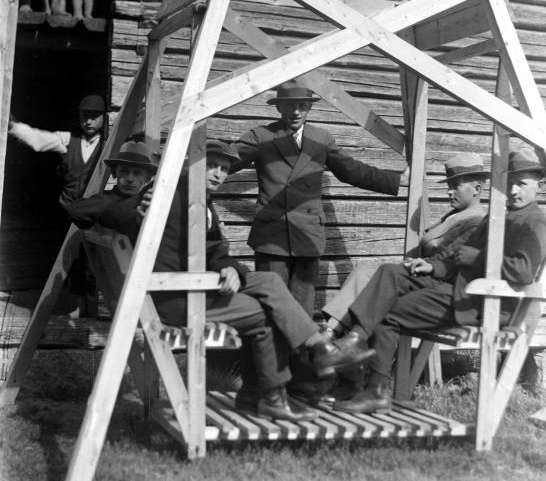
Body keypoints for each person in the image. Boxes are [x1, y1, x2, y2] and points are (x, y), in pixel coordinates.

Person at [86, 139, 374, 421]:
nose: (218, 174)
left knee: (269, 282)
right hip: (175, 299)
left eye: (223, 169)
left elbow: (214, 251)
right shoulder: (169, 192)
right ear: (192, 165)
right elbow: (110, 211)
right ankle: (270, 394)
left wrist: (231, 269)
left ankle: (317, 350)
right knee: (265, 314)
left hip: (191, 287)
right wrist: (139, 204)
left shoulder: (199, 199)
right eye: (211, 165)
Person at [334, 146, 546, 414]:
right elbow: (459, 251)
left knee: (389, 313)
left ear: (539, 186)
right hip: (461, 289)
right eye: (510, 183)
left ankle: (375, 390)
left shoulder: (534, 221)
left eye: (522, 184)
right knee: (391, 272)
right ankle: (355, 340)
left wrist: (479, 259)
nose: (514, 190)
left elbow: (523, 270)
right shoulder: (500, 216)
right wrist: (432, 266)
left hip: (485, 302)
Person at [234, 79, 410, 318]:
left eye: (302, 105)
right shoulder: (261, 136)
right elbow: (226, 159)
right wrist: (189, 166)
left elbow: (351, 171)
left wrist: (397, 180)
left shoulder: (321, 139)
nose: (296, 112)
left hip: (307, 236)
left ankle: (305, 345)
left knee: (302, 310)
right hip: (272, 237)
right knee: (270, 308)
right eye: (289, 105)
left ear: (309, 107)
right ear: (278, 107)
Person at [323, 152, 489, 335]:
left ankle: (334, 332)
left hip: (436, 284)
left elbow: (450, 259)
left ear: (477, 189)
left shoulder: (476, 221)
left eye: (456, 186)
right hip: (421, 274)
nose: (449, 191)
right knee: (365, 271)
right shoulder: (452, 216)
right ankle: (336, 330)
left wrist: (423, 265)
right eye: (449, 186)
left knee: (369, 275)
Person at [8, 94, 106, 210]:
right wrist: (12, 125)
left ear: (103, 117)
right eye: (85, 115)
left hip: (93, 211)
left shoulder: (107, 144)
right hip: (67, 208)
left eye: (94, 116)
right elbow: (39, 138)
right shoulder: (68, 139)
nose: (88, 121)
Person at [68, 141, 157, 228]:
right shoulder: (101, 200)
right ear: (114, 173)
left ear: (148, 178)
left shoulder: (149, 205)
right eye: (124, 171)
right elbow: (75, 210)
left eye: (137, 173)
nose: (130, 179)